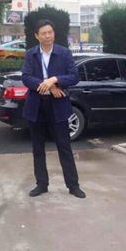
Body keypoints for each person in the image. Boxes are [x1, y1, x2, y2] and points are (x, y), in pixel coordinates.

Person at [21, 19, 85, 199]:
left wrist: (54, 80)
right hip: (36, 106)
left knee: (64, 147)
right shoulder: (31, 54)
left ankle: (73, 185)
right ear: (37, 36)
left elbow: (74, 77)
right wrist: (49, 86)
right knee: (37, 148)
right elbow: (26, 77)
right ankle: (41, 184)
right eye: (44, 33)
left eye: (50, 32)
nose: (48, 36)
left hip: (58, 106)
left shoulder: (64, 53)